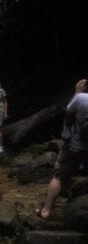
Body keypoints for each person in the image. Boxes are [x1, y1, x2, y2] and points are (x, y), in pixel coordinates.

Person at [37, 79, 88, 220]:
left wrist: (77, 92)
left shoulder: (81, 98)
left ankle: (46, 210)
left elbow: (69, 113)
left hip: (74, 146)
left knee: (58, 177)